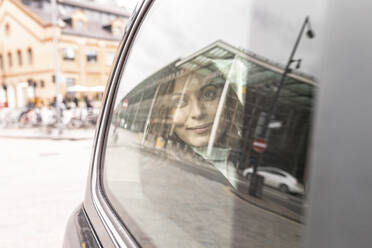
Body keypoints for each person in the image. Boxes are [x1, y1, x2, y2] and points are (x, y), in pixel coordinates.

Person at [146, 66, 243, 168]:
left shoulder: (234, 161)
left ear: (228, 98)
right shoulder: (161, 167)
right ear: (166, 113)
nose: (198, 112)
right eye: (179, 101)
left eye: (209, 94)